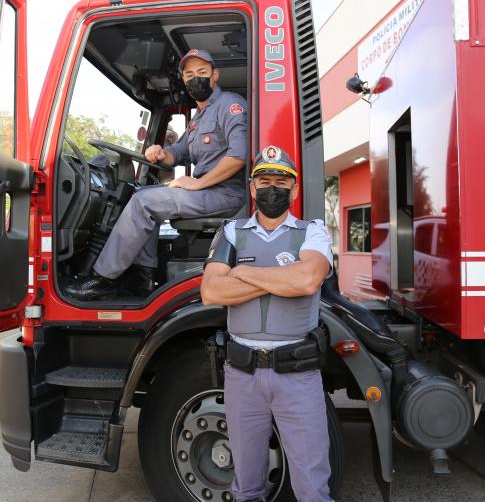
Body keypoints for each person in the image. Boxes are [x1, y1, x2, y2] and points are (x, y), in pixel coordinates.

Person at [200, 146, 334, 502]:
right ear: (252, 187)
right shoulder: (231, 232)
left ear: (294, 190)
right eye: (264, 181)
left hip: (297, 376)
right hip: (242, 376)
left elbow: (306, 281)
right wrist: (279, 276)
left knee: (312, 488)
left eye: (281, 182)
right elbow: (212, 291)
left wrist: (242, 272)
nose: (272, 189)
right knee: (246, 487)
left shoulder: (313, 233)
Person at [65, 49, 248, 300]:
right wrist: (160, 152)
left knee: (143, 201)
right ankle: (144, 278)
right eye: (189, 74)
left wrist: (197, 183)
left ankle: (102, 279)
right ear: (183, 80)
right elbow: (179, 152)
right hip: (208, 191)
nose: (196, 79)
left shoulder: (230, 105)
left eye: (202, 73)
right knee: (144, 195)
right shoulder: (198, 119)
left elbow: (239, 155)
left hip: (226, 193)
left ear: (214, 75)